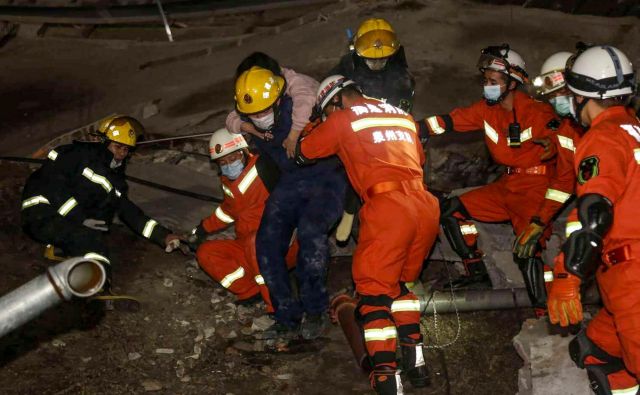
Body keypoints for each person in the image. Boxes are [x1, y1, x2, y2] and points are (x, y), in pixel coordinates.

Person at [296, 75, 440, 395]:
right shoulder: (401, 115)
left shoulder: (342, 119)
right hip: (425, 206)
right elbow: (417, 158)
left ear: (336, 101)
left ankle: (387, 379)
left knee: (374, 295)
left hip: (388, 208)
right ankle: (417, 366)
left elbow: (303, 152)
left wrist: (306, 129)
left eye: (327, 110)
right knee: (400, 287)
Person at [420, 44, 571, 312]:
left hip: (535, 189)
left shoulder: (536, 112)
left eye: (493, 81)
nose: (486, 86)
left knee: (527, 249)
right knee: (451, 210)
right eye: (485, 81)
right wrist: (414, 127)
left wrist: (554, 146)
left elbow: (561, 136)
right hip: (506, 186)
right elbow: (450, 121)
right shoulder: (485, 110)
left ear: (512, 83)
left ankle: (544, 312)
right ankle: (476, 273)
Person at [545, 45, 640, 395]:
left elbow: (595, 211)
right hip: (620, 285)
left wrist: (568, 275)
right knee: (594, 348)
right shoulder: (635, 129)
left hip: (633, 277)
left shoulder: (602, 137)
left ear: (583, 97)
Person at [234, 66, 347, 342]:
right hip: (290, 183)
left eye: (263, 111)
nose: (259, 117)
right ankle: (286, 315)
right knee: (266, 242)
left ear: (278, 100)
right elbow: (233, 116)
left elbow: (306, 89)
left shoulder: (301, 107)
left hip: (327, 178)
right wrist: (244, 124)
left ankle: (315, 310)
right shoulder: (253, 120)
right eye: (253, 114)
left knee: (311, 233)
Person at [21, 115, 181, 292]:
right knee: (89, 239)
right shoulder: (77, 154)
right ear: (103, 142)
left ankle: (89, 275)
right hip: (41, 212)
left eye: (126, 149)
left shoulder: (115, 180)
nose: (121, 153)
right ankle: (95, 287)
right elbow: (53, 186)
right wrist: (80, 218)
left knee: (96, 235)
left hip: (66, 221)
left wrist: (163, 235)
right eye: (118, 146)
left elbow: (130, 213)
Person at [189, 128, 297, 313]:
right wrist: (203, 229)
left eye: (232, 159)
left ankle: (278, 307)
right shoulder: (227, 181)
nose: (229, 165)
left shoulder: (263, 167)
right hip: (248, 246)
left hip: (280, 245)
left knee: (254, 243)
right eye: (223, 162)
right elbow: (228, 211)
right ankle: (250, 290)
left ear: (244, 152)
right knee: (206, 253)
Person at [329, 18, 416, 243]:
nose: (377, 63)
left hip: (386, 138)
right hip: (354, 133)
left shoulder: (401, 78)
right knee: (353, 172)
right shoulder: (346, 69)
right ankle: (349, 213)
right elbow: (329, 96)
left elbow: (403, 114)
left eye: (383, 58)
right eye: (371, 59)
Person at [513, 51, 583, 258]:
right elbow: (563, 182)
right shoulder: (566, 131)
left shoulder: (607, 126)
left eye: (558, 94)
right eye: (550, 97)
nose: (554, 101)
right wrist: (539, 221)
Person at [226, 51, 318, 159]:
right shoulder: (257, 92)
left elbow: (304, 103)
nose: (259, 117)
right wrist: (251, 129)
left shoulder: (293, 84)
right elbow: (231, 119)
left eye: (264, 111)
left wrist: (293, 137)